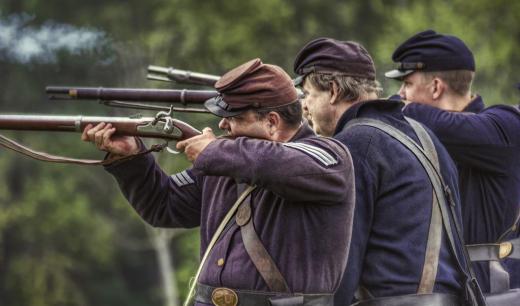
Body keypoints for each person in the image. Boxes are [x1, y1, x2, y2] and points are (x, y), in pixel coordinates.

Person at [82, 58, 356, 306]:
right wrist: (132, 158)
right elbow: (163, 205)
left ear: (272, 122)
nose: (223, 126)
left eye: (233, 118)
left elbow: (278, 162)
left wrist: (214, 152)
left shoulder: (328, 156)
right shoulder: (228, 161)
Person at [293, 38, 477, 305]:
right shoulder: (425, 135)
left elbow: (341, 263)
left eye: (308, 94)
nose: (305, 107)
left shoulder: (354, 145)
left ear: (332, 91)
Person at [385, 30, 520, 297]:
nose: (401, 93)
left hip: (493, 292)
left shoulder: (505, 125)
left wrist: (387, 109)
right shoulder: (426, 134)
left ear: (436, 87)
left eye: (407, 84)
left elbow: (447, 127)